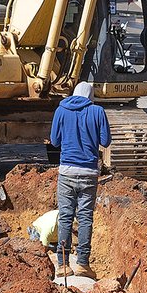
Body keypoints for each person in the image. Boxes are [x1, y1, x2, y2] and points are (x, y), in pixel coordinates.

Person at [48, 81, 111, 278]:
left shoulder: (61, 109)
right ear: (90, 97)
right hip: (89, 173)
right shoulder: (97, 111)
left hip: (66, 171)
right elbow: (106, 141)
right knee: (85, 218)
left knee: (66, 216)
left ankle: (63, 265)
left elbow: (54, 141)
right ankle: (83, 263)